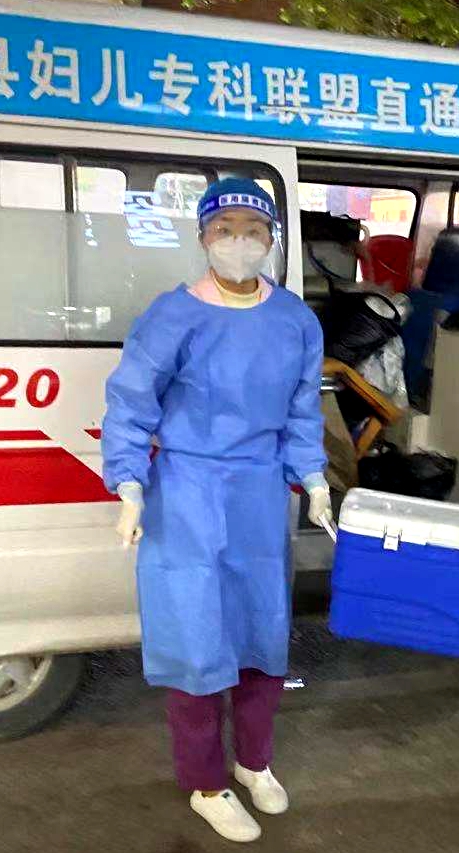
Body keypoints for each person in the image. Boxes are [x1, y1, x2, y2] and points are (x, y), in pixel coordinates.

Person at [102, 177, 330, 843]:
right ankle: (207, 782)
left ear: (272, 239)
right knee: (197, 642)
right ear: (203, 236)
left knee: (263, 635)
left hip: (259, 492)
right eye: (225, 230)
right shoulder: (174, 315)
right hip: (187, 492)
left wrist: (314, 476)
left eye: (253, 231)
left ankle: (253, 761)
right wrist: (129, 485)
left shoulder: (294, 320)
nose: (239, 242)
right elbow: (130, 403)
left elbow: (302, 409)